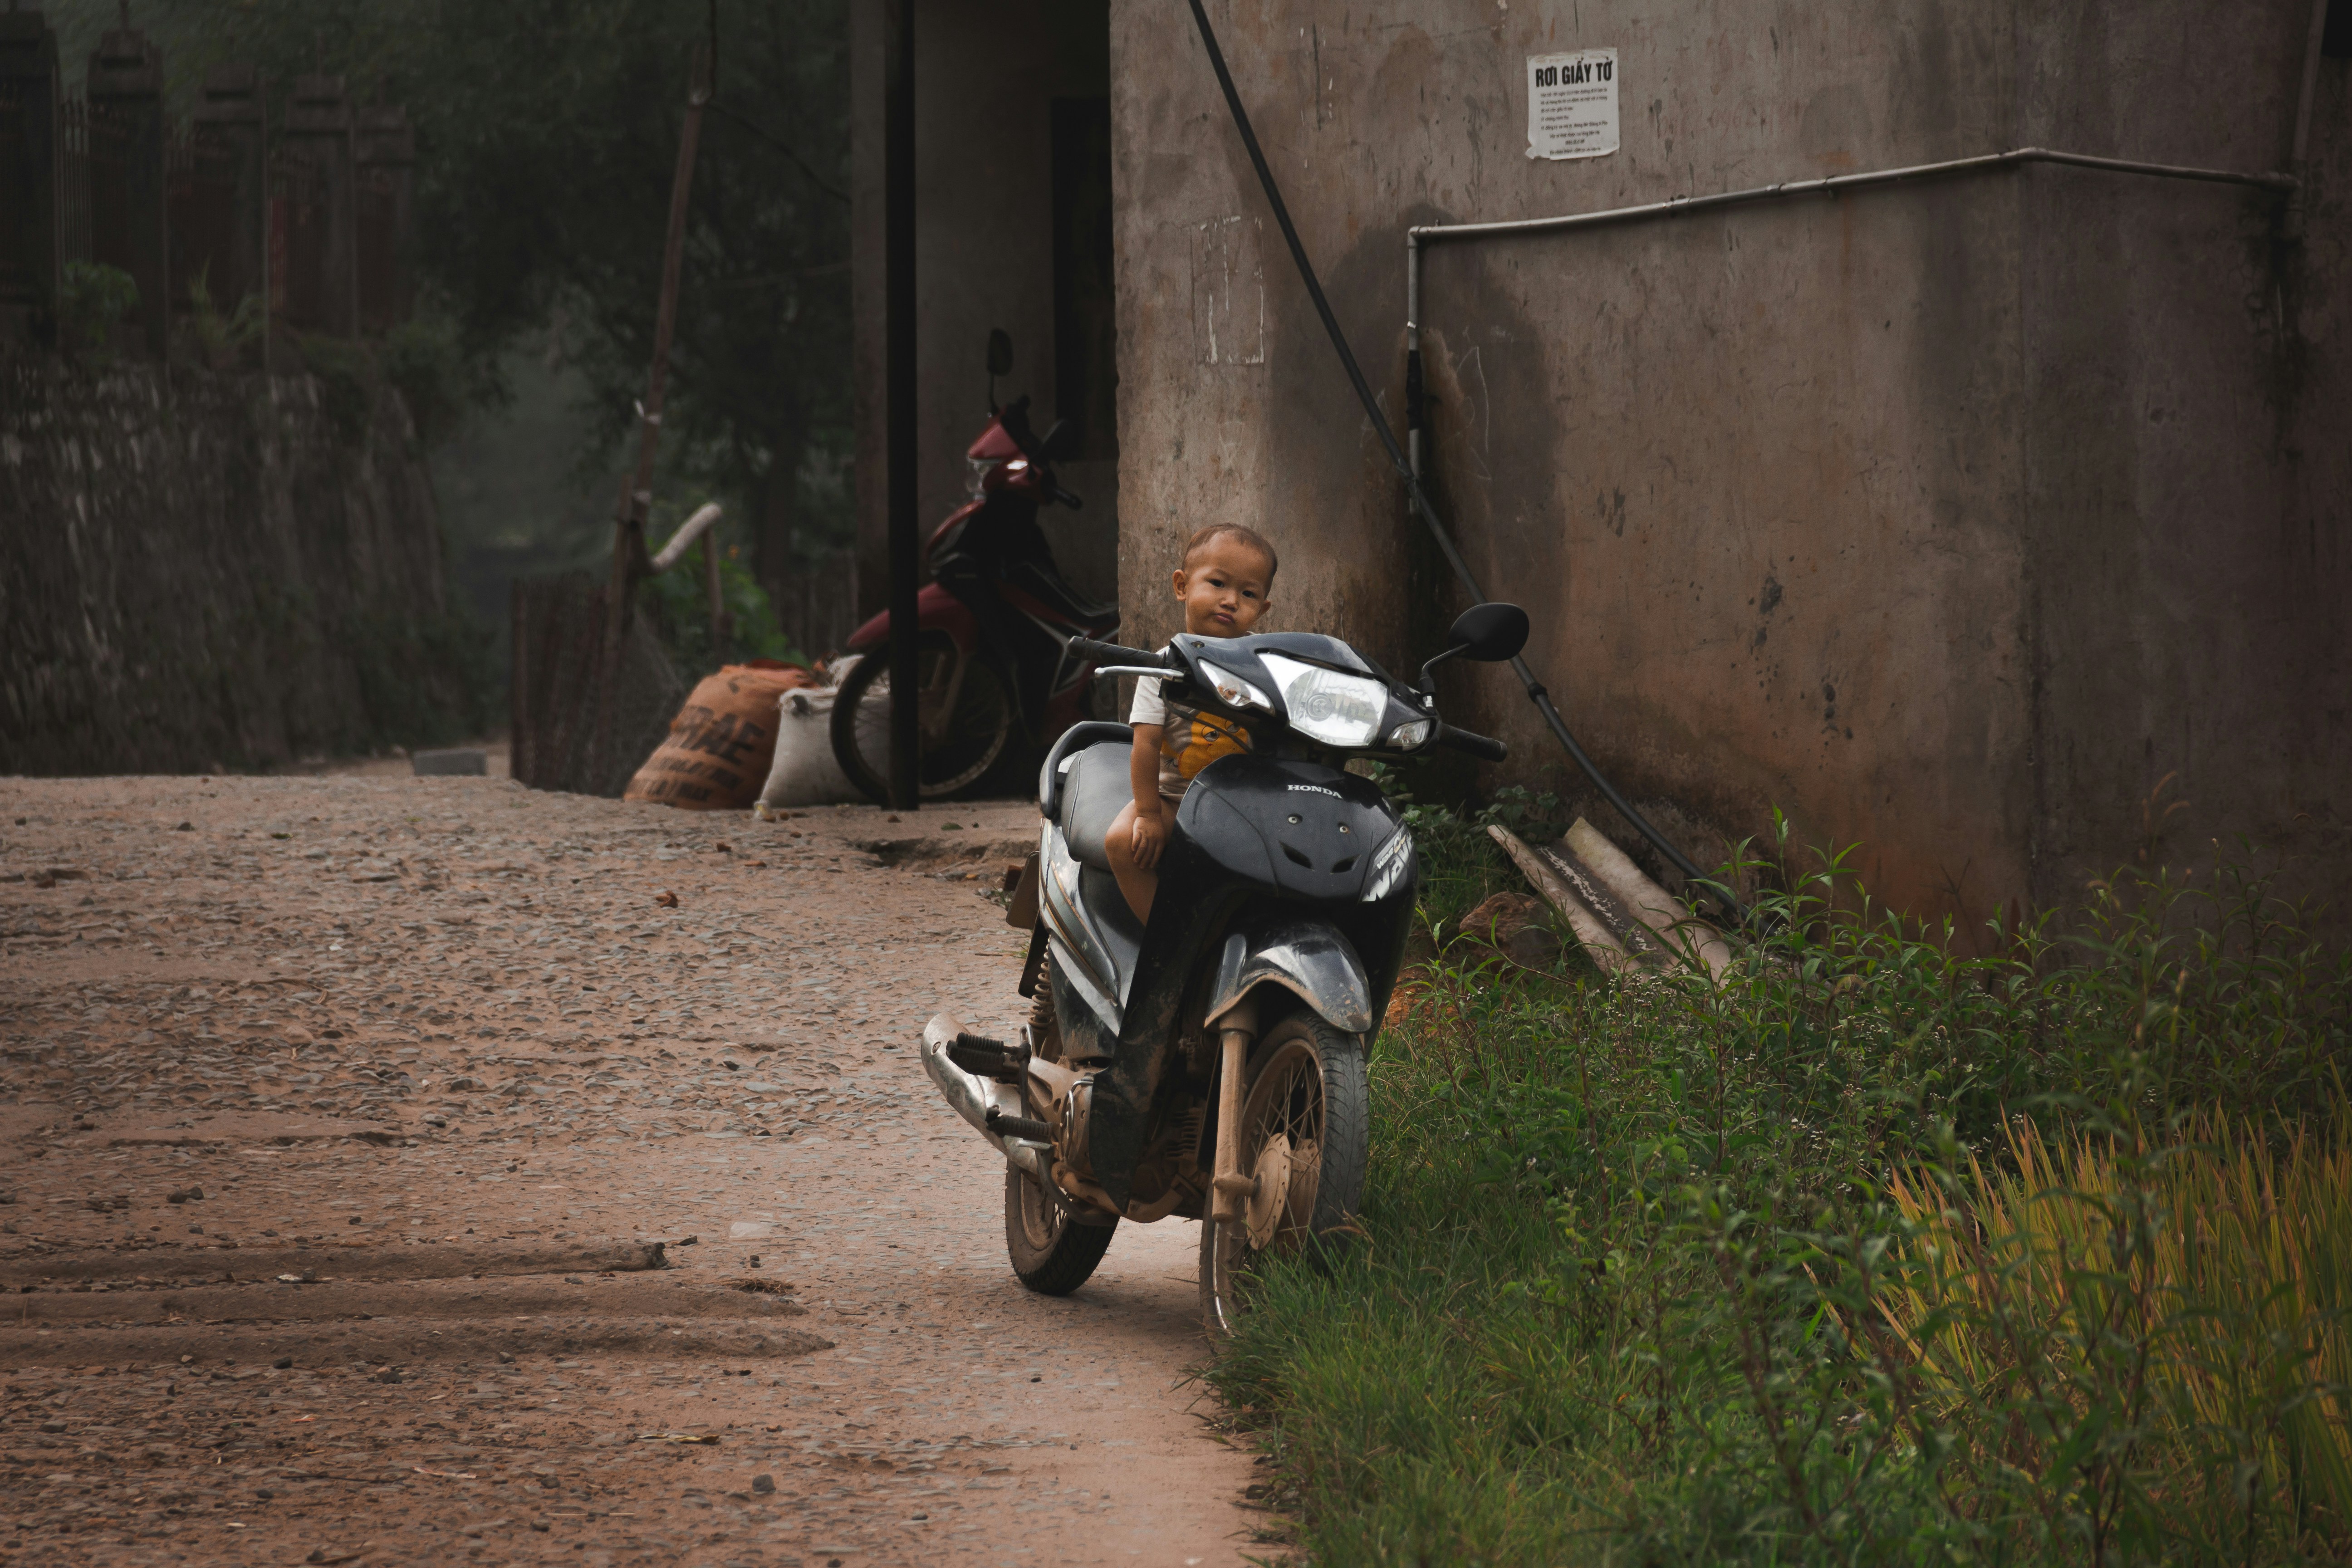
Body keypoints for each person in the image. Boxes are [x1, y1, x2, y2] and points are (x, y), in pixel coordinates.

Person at [1104, 524, 1278, 924]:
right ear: (1182, 586)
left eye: (1248, 593)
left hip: (1247, 805)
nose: (1231, 600)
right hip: (1174, 801)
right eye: (1217, 583)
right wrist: (1148, 814)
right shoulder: (1162, 669)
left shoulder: (1267, 669)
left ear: (1263, 608)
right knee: (1119, 842)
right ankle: (1165, 944)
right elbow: (1145, 745)